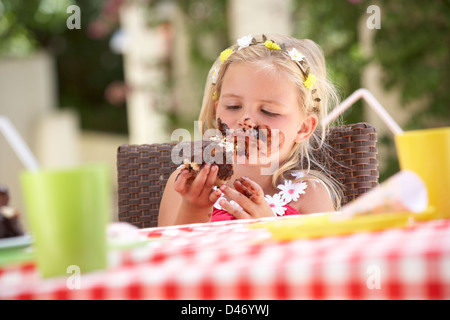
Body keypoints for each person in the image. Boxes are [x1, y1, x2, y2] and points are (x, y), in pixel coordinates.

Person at [158, 34, 343, 226]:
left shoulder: (309, 194)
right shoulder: (186, 184)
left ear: (303, 128)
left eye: (268, 111)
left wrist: (272, 228)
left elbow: (326, 255)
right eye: (233, 106)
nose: (246, 120)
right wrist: (193, 208)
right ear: (216, 109)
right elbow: (166, 252)